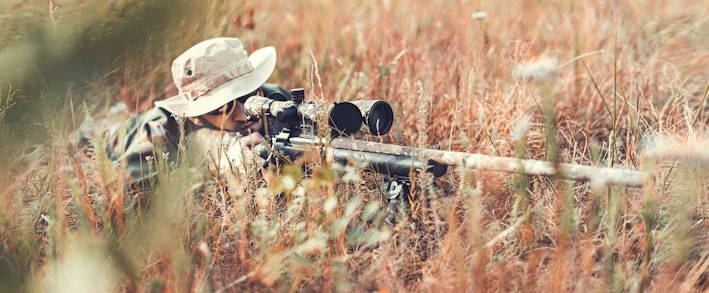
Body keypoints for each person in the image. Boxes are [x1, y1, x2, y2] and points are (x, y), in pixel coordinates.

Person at [78, 37, 290, 194]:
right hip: (110, 136)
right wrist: (214, 172)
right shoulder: (157, 135)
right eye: (222, 106)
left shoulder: (273, 99)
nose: (244, 114)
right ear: (196, 116)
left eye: (248, 94)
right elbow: (122, 196)